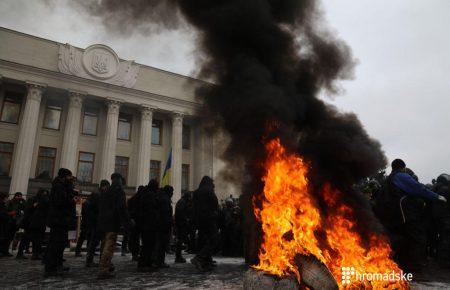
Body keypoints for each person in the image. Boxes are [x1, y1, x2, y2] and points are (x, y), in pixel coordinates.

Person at [377, 159, 447, 272]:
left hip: (391, 217)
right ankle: (415, 266)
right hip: (403, 214)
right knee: (418, 238)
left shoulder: (388, 180)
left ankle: (402, 265)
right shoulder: (400, 176)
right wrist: (437, 197)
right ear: (403, 167)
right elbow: (418, 188)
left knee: (401, 239)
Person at [97, 173, 132, 279]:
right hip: (112, 223)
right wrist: (127, 221)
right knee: (109, 246)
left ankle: (105, 265)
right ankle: (104, 269)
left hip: (103, 222)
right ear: (119, 179)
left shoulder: (106, 191)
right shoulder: (119, 191)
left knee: (105, 245)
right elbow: (121, 208)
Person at [44, 168, 77, 277]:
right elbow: (61, 202)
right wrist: (72, 200)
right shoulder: (59, 187)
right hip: (58, 220)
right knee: (55, 245)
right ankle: (50, 268)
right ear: (64, 176)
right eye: (69, 176)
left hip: (61, 220)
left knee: (60, 244)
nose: (70, 179)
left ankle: (57, 265)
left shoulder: (62, 186)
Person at [191, 176, 220, 271]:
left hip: (199, 220)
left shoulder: (196, 192)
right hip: (209, 218)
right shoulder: (209, 191)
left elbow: (193, 207)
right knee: (213, 239)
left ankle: (206, 262)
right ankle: (200, 258)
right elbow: (215, 203)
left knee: (203, 240)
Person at [16, 188, 49, 260]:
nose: (44, 195)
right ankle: (20, 254)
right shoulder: (33, 199)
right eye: (44, 193)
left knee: (37, 239)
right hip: (30, 223)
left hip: (39, 223)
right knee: (26, 238)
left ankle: (35, 254)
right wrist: (34, 206)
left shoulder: (44, 201)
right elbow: (27, 209)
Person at [136, 179, 159, 272]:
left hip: (147, 224)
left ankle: (147, 263)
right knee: (147, 245)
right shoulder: (149, 196)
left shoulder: (146, 194)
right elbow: (151, 211)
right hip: (148, 225)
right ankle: (143, 264)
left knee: (148, 245)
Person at [85, 180, 109, 267]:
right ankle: (93, 260)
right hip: (98, 222)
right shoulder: (98, 195)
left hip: (96, 222)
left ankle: (91, 260)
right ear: (104, 186)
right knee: (96, 242)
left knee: (95, 242)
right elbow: (99, 209)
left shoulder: (96, 194)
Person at [431, 174, 450, 267]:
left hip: (435, 217)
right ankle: (443, 261)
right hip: (444, 217)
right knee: (445, 238)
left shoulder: (435, 189)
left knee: (439, 237)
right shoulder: (446, 190)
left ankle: (437, 257)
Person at [155, 185, 173, 268]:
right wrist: (168, 223)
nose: (172, 193)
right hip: (163, 226)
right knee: (161, 245)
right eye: (172, 191)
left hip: (160, 225)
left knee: (160, 245)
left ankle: (158, 261)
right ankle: (160, 262)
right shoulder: (165, 200)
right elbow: (165, 214)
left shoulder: (162, 198)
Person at [174, 191, 193, 263]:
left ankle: (178, 256)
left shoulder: (182, 202)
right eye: (190, 197)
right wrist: (186, 219)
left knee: (180, 240)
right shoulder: (182, 202)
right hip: (181, 224)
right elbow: (181, 213)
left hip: (181, 223)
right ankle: (178, 257)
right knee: (180, 240)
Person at [127, 185, 145, 262]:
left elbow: (128, 211)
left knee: (134, 239)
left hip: (134, 222)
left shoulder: (131, 199)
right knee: (140, 239)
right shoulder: (142, 199)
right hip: (140, 222)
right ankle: (138, 254)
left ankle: (135, 254)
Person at [0, 192, 13, 257]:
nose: (7, 199)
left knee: (4, 238)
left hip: (4, 224)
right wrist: (8, 214)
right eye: (6, 197)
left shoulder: (4, 204)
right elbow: (2, 214)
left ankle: (3, 251)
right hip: (2, 224)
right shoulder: (1, 204)